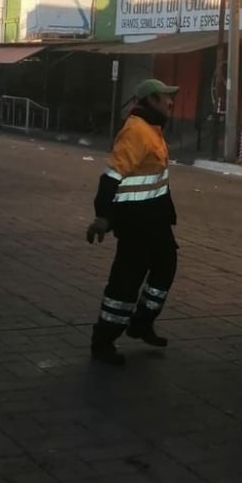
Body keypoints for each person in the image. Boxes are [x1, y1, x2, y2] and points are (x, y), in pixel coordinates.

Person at [85, 78, 180, 366]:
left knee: (165, 266)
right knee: (125, 282)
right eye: (166, 97)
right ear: (151, 99)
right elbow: (112, 176)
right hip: (136, 223)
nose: (171, 102)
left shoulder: (152, 129)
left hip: (156, 219)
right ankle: (104, 340)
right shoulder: (136, 131)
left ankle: (141, 323)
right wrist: (103, 216)